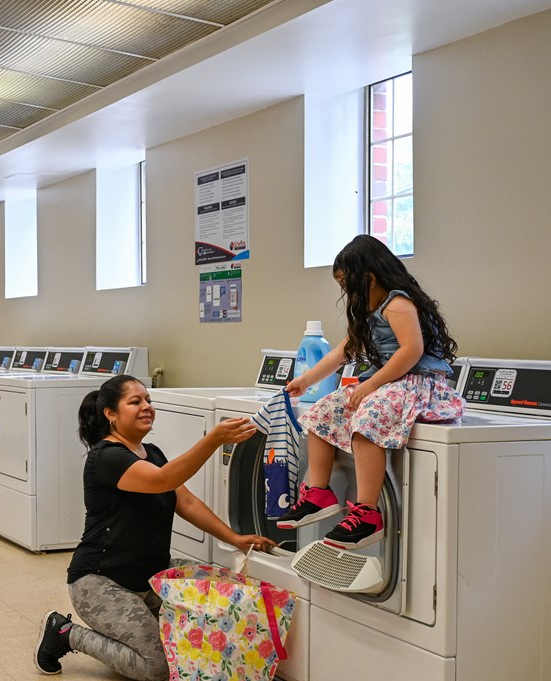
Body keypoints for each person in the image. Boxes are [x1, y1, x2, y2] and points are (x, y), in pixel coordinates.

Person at [35, 374, 274, 679]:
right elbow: (162, 481)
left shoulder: (153, 454)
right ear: (111, 413)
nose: (146, 406)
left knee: (225, 598)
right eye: (135, 402)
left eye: (148, 400)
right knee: (157, 667)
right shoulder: (106, 457)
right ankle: (64, 632)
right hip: (101, 581)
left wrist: (236, 538)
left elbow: (185, 502)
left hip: (151, 576)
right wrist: (213, 439)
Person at [278, 234, 465, 549]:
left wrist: (372, 383)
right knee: (320, 414)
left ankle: (367, 512)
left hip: (418, 381)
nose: (346, 292)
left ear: (370, 278)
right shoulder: (368, 313)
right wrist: (307, 380)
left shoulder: (398, 303)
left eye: (347, 285)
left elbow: (412, 350)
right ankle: (320, 493)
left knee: (367, 422)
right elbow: (343, 351)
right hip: (389, 382)